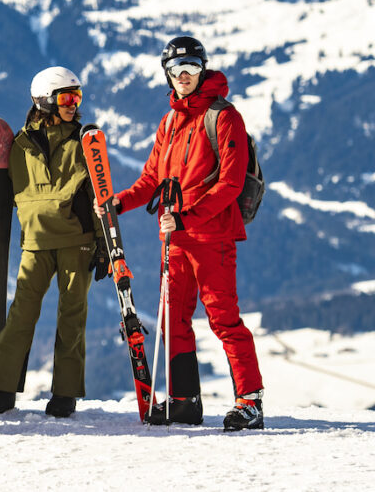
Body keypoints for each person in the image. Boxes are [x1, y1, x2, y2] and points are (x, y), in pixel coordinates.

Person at [102, 36, 264, 431]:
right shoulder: (171, 120)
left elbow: (229, 184)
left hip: (212, 238)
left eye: (191, 66)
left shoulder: (224, 117)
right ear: (167, 74)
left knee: (223, 319)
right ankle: (184, 401)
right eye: (175, 69)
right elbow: (152, 178)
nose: (184, 75)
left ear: (203, 67)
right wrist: (118, 202)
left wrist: (188, 218)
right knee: (172, 320)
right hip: (174, 239)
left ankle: (250, 402)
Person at [0, 66, 106, 419]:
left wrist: (105, 243)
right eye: (66, 97)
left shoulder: (84, 140)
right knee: (21, 314)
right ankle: (0, 388)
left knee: (72, 317)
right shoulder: (18, 145)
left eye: (77, 97)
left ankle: (65, 394)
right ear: (45, 100)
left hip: (75, 240)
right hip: (34, 241)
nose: (73, 104)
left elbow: (100, 192)